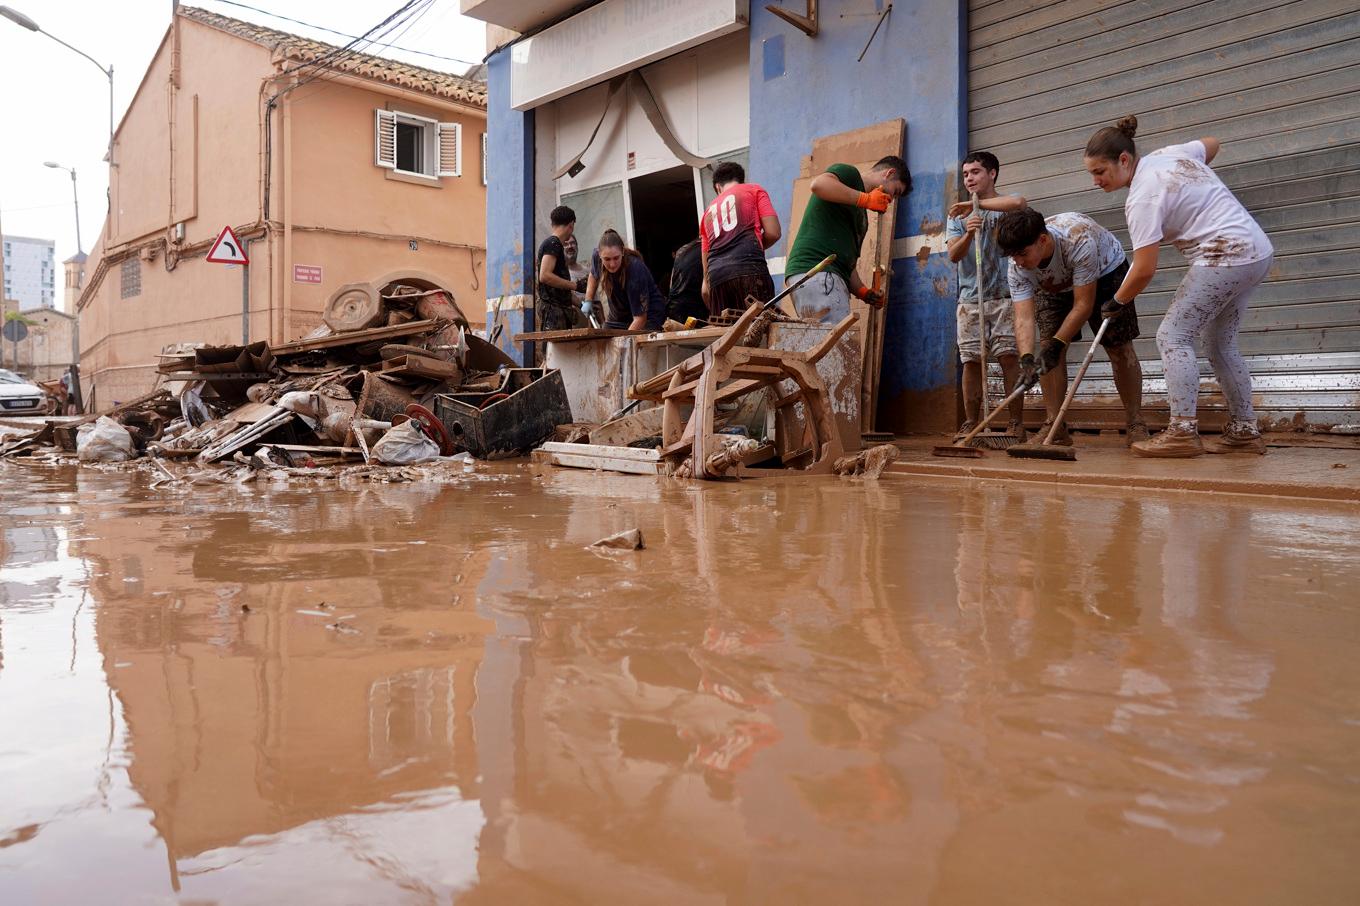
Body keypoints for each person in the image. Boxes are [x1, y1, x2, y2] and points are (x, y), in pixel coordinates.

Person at [1085, 115, 1275, 457]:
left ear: (1124, 160)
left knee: (1172, 336)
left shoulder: (1141, 197)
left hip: (1224, 256)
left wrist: (1117, 300)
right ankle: (1245, 429)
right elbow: (1212, 143)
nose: (1096, 180)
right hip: (1256, 252)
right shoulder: (1170, 154)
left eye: (1100, 171)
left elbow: (1144, 269)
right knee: (1219, 342)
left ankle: (1182, 430)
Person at [996, 208, 1148, 446]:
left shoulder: (1078, 240)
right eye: (1013, 256)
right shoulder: (1018, 264)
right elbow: (1023, 318)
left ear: (1043, 240)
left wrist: (1058, 344)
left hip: (1105, 271)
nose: (1018, 261)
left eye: (1022, 254)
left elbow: (1084, 305)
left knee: (1118, 346)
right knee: (1046, 349)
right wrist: (1027, 359)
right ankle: (1054, 425)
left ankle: (1135, 422)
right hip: (1053, 284)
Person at [945, 151, 1029, 439]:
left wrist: (975, 205)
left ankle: (1015, 422)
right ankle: (971, 421)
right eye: (966, 173)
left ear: (992, 173)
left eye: (976, 172)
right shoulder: (957, 214)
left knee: (1009, 358)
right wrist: (968, 232)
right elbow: (954, 256)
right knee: (971, 360)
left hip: (1006, 295)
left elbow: (1020, 202)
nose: (969, 178)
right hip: (970, 299)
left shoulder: (1003, 206)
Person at [784, 156, 911, 322]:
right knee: (837, 345)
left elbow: (846, 263)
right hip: (818, 271)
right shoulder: (849, 175)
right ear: (889, 173)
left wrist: (863, 292)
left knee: (826, 343)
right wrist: (865, 199)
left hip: (822, 274)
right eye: (896, 191)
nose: (891, 199)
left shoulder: (860, 216)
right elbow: (818, 185)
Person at [700, 161, 781, 315]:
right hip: (750, 270)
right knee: (760, 331)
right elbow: (773, 232)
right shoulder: (754, 190)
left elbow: (705, 287)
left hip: (718, 278)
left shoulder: (707, 213)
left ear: (718, 187)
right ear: (741, 180)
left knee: (729, 334)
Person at [589, 229, 666, 331]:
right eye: (607, 259)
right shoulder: (596, 256)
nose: (612, 264)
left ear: (622, 252)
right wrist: (588, 300)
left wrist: (625, 344)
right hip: (620, 316)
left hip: (648, 316)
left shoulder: (635, 269)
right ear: (599, 255)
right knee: (605, 334)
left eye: (616, 258)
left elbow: (640, 319)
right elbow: (593, 275)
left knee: (636, 342)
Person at [535, 205, 589, 332]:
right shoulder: (553, 243)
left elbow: (560, 290)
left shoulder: (554, 244)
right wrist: (575, 285)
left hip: (559, 313)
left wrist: (583, 306)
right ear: (571, 225)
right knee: (554, 351)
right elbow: (544, 276)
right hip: (553, 314)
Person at [667, 238, 709, 324]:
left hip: (674, 308)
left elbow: (671, 286)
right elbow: (706, 291)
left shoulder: (681, 250)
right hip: (695, 310)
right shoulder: (708, 248)